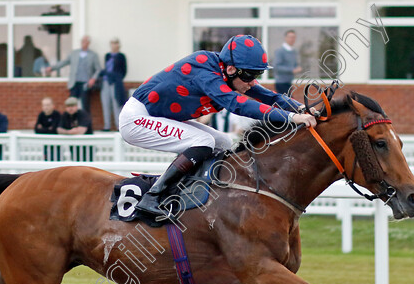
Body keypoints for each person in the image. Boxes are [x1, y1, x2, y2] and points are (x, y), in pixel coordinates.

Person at [119, 34, 315, 217]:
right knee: (203, 140)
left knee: (223, 141)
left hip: (159, 116)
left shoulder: (228, 72)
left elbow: (269, 97)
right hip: (136, 118)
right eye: (249, 75)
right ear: (231, 69)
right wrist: (290, 118)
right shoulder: (206, 72)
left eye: (257, 74)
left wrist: (301, 108)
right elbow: (237, 104)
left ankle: (198, 196)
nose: (252, 82)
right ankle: (154, 195)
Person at [47, 35, 101, 112]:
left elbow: (98, 69)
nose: (84, 43)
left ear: (89, 43)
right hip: (74, 83)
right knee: (71, 104)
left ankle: (86, 123)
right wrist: (52, 68)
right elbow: (64, 62)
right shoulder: (74, 53)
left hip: (85, 84)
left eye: (86, 41)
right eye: (82, 41)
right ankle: (71, 123)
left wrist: (93, 78)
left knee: (85, 105)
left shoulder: (93, 55)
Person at [99, 37, 127, 131]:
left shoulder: (121, 56)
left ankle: (118, 126)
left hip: (116, 83)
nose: (114, 45)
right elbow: (106, 67)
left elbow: (123, 71)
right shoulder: (107, 55)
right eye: (112, 43)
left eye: (116, 43)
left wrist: (117, 78)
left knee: (116, 103)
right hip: (106, 81)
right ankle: (107, 125)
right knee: (106, 103)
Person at [59, 97, 94, 161]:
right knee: (75, 165)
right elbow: (59, 129)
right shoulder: (65, 115)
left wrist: (67, 132)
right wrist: (70, 132)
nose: (70, 108)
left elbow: (81, 131)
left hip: (86, 146)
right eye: (68, 106)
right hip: (74, 146)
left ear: (76, 106)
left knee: (87, 166)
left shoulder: (83, 114)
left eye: (72, 106)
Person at [273, 30, 302, 95]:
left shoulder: (294, 52)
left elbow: (295, 65)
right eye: (290, 37)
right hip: (281, 83)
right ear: (285, 38)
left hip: (289, 82)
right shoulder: (280, 51)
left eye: (293, 37)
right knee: (287, 103)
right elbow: (277, 66)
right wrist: (292, 70)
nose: (292, 39)